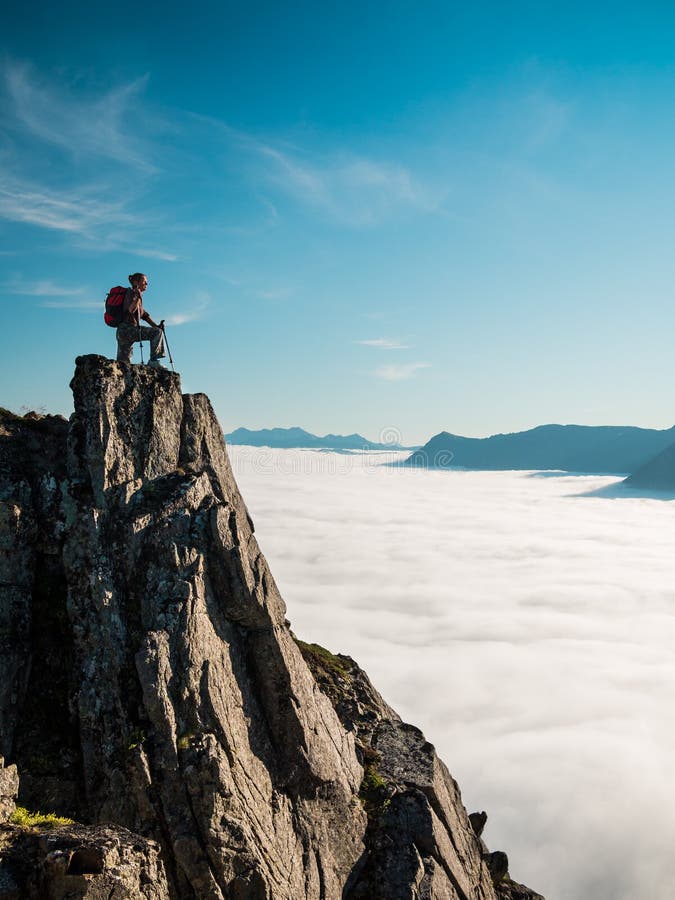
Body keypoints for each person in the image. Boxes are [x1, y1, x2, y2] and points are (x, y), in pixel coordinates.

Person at [116, 273, 166, 367]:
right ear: (136, 282)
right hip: (129, 329)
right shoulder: (131, 293)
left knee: (123, 364)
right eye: (144, 282)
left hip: (121, 331)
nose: (146, 284)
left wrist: (156, 326)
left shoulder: (134, 294)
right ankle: (154, 360)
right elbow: (130, 310)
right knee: (156, 332)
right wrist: (138, 297)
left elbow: (144, 315)